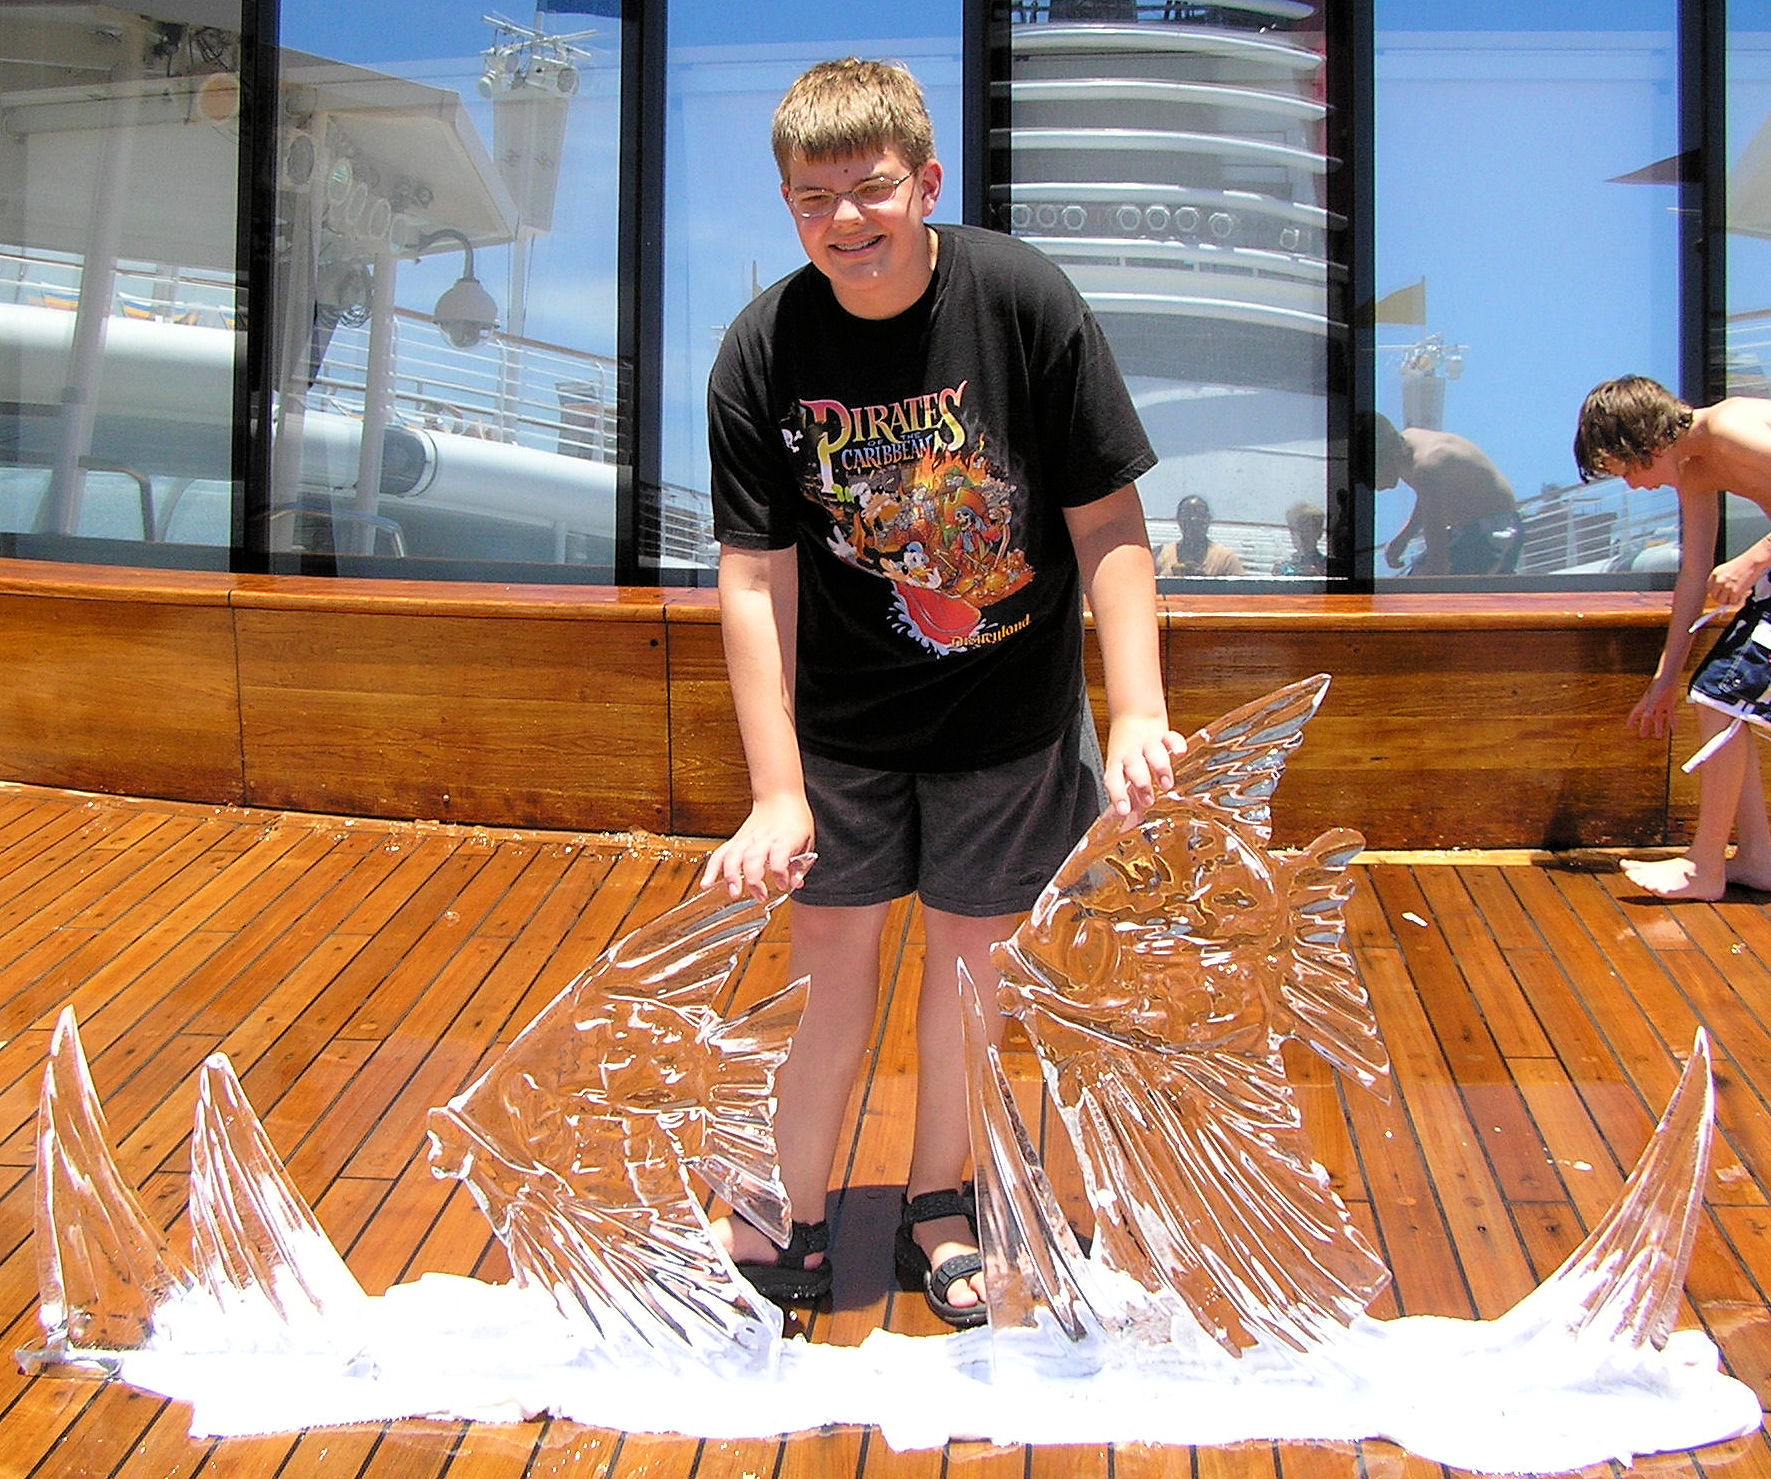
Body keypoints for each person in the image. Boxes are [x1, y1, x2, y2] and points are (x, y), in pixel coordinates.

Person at [698, 58, 1184, 1327]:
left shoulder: (1022, 301)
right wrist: (774, 790)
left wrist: (1131, 707)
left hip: (1008, 729)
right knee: (828, 975)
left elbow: (1107, 518)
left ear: (925, 181)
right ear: (789, 208)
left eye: (869, 190)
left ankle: (936, 1200)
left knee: (970, 977)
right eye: (814, 201)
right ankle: (791, 1214)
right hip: (843, 738)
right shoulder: (761, 351)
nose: (845, 221)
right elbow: (753, 578)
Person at [1573, 374, 1771, 901]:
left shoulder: (1728, 429)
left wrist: (1754, 558)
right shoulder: (1693, 468)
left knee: (1722, 697)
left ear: (1645, 440)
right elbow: (1693, 574)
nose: (1635, 487)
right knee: (1720, 697)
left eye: (1628, 471)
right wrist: (1664, 680)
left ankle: (1703, 868)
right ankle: (1756, 857)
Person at [1373, 413, 1522, 576]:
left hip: (1496, 529)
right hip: (1465, 531)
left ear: (1388, 457)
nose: (1376, 488)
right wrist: (1404, 536)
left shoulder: (1427, 466)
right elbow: (1429, 498)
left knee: (1439, 589)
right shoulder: (1405, 446)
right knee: (1417, 581)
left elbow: (1439, 561)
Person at [1154, 494, 1245, 577]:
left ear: (1208, 520)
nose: (1193, 520)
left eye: (1199, 516)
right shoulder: (1159, 555)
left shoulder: (1226, 560)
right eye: (1187, 515)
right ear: (1178, 519)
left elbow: (1242, 592)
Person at [1274, 500, 1327, 576]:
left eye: (1307, 531)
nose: (1300, 536)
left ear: (1319, 533)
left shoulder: (1328, 566)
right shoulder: (1283, 568)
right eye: (1295, 530)